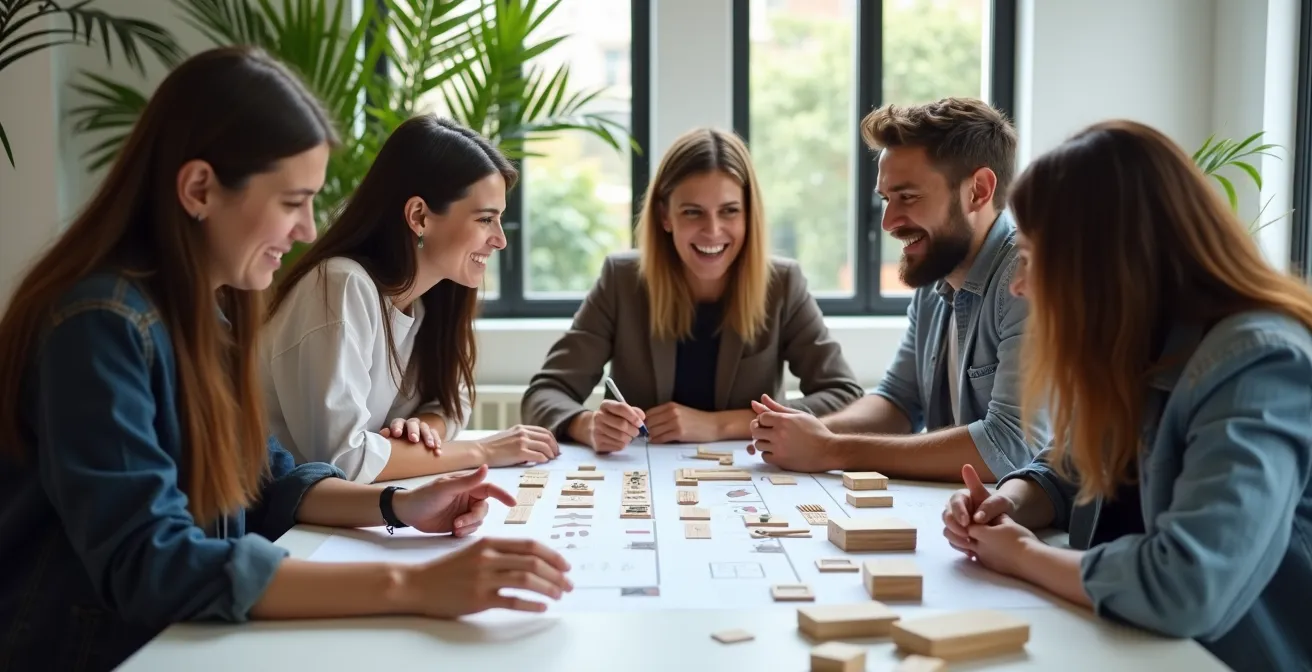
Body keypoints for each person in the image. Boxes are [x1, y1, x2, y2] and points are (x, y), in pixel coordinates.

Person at [0, 47, 571, 671]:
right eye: (292, 201)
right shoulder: (100, 324)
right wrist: (413, 585)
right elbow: (153, 561)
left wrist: (399, 507)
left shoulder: (205, 315)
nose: (307, 230)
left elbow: (267, 477)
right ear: (199, 189)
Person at [941, 120, 1312, 672]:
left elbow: (1186, 584)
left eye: (1032, 258)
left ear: (1100, 263)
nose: (1018, 285)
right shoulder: (1140, 343)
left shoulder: (1258, 362)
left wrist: (1021, 554)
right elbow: (1072, 468)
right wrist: (1010, 501)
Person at [748, 97, 1047, 481]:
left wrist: (829, 449)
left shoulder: (1028, 282)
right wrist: (808, 432)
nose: (888, 222)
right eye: (886, 199)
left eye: (908, 197)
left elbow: (1010, 447)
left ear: (978, 191)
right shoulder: (936, 275)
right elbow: (899, 401)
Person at [521, 128, 863, 453]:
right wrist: (586, 424)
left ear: (749, 215)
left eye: (729, 211)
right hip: (641, 475)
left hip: (747, 477)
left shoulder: (782, 284)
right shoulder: (621, 281)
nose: (712, 230)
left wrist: (720, 425)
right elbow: (544, 394)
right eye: (692, 212)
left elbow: (845, 396)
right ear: (665, 216)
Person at [263, 114, 559, 484]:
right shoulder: (342, 285)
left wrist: (423, 429)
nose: (500, 240)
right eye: (485, 219)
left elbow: (454, 400)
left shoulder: (428, 299)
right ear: (419, 216)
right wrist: (483, 451)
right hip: (275, 513)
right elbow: (343, 460)